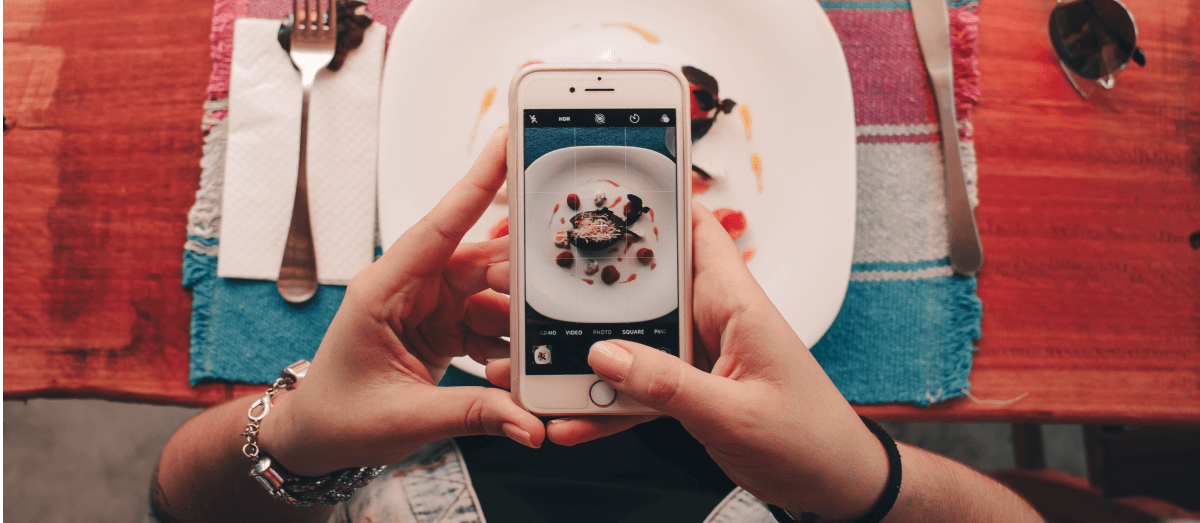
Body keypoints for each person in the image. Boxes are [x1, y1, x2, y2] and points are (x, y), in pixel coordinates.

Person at [149, 128, 1043, 523]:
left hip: (427, 422)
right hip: (755, 448)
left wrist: (302, 435)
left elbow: (180, 503)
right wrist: (861, 477)